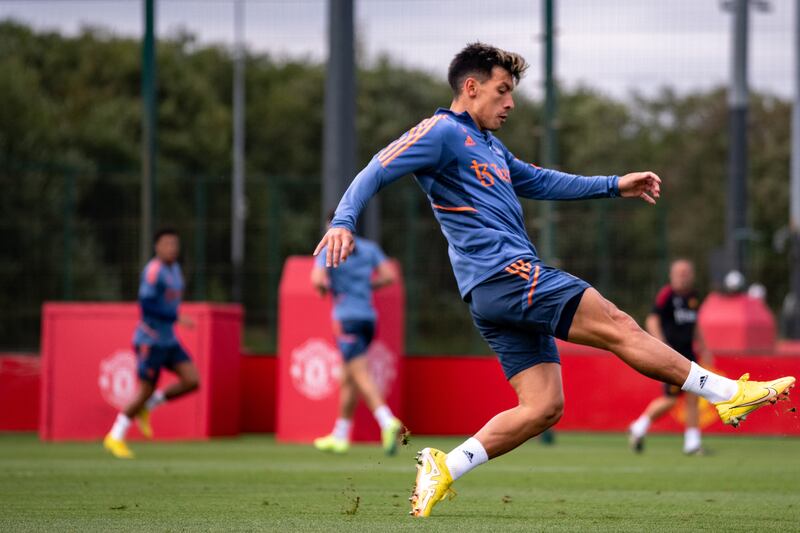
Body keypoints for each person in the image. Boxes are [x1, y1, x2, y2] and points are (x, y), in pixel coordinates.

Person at [312, 43, 795, 517]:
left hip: (492, 292)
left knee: (543, 407)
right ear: (471, 87)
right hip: (505, 274)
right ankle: (728, 395)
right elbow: (379, 164)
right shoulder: (440, 131)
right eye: (502, 91)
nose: (511, 103)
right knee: (618, 323)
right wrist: (343, 220)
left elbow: (541, 181)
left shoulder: (491, 146)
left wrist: (613, 185)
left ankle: (446, 465)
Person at [311, 213, 404, 455]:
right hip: (368, 319)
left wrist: (326, 288)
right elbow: (389, 276)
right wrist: (366, 287)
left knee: (359, 373)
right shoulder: (369, 248)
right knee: (347, 377)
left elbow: (317, 281)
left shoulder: (328, 249)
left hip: (346, 320)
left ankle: (387, 421)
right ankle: (340, 435)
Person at [103, 228, 200, 459]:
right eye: (166, 244)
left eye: (174, 244)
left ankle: (149, 406)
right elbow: (146, 306)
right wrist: (176, 317)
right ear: (157, 247)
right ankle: (115, 436)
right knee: (144, 390)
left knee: (192, 380)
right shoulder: (153, 271)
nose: (171, 249)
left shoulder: (175, 269)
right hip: (150, 341)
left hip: (169, 340)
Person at [629, 259, 712, 455]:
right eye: (679, 273)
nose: (683, 277)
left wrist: (705, 347)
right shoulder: (667, 295)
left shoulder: (693, 296)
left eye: (687, 273)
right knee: (671, 399)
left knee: (693, 397)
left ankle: (692, 443)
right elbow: (652, 319)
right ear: (672, 275)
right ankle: (639, 426)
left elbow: (695, 324)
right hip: (672, 356)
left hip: (689, 354)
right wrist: (661, 345)